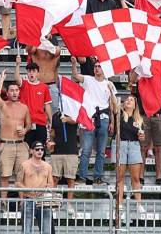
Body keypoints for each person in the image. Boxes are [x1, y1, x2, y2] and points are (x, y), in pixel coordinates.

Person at [72, 57, 117, 185]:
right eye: (95, 66)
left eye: (99, 66)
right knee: (86, 150)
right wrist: (74, 64)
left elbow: (112, 105)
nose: (97, 68)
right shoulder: (88, 80)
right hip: (89, 118)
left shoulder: (109, 84)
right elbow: (75, 76)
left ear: (104, 69)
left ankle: (98, 177)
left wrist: (112, 122)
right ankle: (82, 176)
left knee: (101, 151)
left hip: (103, 118)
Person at [0, 70, 32, 203]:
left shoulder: (24, 107)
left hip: (21, 144)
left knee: (21, 176)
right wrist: (2, 79)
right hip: (7, 144)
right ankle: (3, 202)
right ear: (7, 93)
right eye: (12, 90)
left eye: (16, 90)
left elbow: (29, 124)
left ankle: (22, 202)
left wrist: (25, 130)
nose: (15, 92)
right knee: (5, 175)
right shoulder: (3, 105)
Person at [128, 69, 161, 186]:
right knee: (143, 147)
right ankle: (141, 176)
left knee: (158, 148)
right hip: (143, 116)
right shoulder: (140, 76)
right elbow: (131, 81)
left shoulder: (157, 76)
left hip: (157, 115)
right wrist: (138, 69)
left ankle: (159, 176)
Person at [113, 95, 146, 215]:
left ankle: (139, 204)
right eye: (126, 99)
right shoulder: (119, 114)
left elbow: (142, 136)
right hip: (120, 144)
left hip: (134, 145)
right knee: (120, 177)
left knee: (136, 178)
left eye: (131, 100)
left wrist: (142, 137)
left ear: (135, 105)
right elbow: (113, 103)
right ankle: (119, 204)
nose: (128, 100)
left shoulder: (139, 119)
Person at [17, 141, 55, 234]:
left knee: (46, 230)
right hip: (28, 199)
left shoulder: (48, 166)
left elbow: (51, 184)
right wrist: (22, 198)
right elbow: (18, 183)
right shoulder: (24, 165)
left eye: (42, 149)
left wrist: (49, 187)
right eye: (37, 149)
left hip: (44, 201)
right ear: (31, 151)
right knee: (26, 230)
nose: (40, 151)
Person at [15, 55, 52, 145]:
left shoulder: (44, 87)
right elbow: (17, 79)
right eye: (29, 71)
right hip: (26, 123)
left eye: (34, 71)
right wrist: (17, 65)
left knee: (40, 149)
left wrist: (51, 120)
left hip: (40, 122)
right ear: (27, 73)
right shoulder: (24, 84)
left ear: (38, 73)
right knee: (27, 150)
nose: (31, 73)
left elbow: (47, 105)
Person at [48, 111, 78, 208]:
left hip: (71, 151)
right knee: (54, 178)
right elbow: (52, 132)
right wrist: (51, 142)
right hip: (56, 151)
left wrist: (67, 119)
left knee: (70, 179)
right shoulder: (55, 115)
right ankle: (53, 202)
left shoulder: (74, 111)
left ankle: (69, 204)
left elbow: (77, 120)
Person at [27, 44, 62, 114]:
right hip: (38, 84)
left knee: (53, 112)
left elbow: (56, 51)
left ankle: (51, 124)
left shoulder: (56, 48)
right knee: (36, 110)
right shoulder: (35, 48)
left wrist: (45, 42)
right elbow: (29, 50)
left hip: (51, 84)